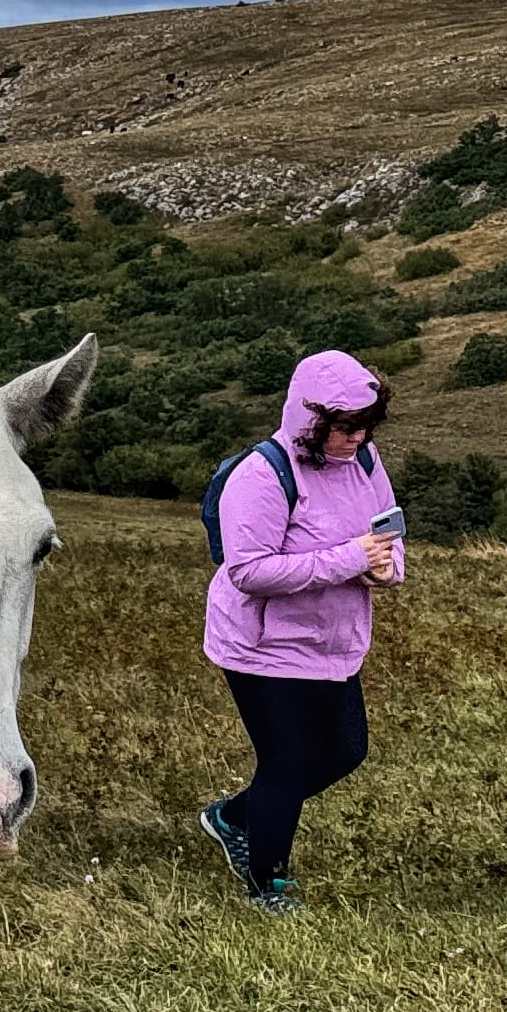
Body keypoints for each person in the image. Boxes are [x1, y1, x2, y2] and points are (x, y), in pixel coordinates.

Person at [199, 350, 405, 912]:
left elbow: (388, 529)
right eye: (342, 429)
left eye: (364, 428)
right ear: (310, 419)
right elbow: (248, 571)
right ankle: (270, 885)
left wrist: (388, 567)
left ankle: (234, 816)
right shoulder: (263, 473)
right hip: (261, 645)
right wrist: (347, 559)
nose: (355, 440)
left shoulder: (364, 460)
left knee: (344, 750)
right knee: (287, 762)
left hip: (333, 641)